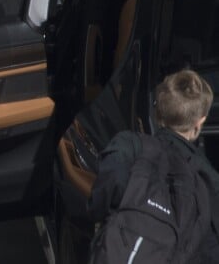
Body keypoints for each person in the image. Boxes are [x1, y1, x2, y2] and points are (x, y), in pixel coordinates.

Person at [88, 69, 219, 261]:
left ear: (158, 112)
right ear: (200, 122)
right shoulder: (208, 179)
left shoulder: (129, 145)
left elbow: (106, 189)